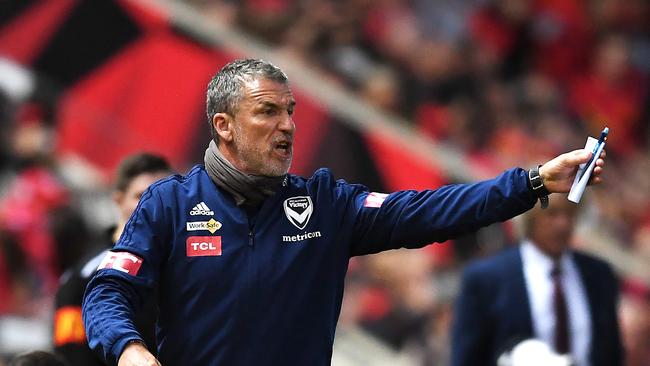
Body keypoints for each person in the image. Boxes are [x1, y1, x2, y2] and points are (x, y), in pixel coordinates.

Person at [82, 58, 606, 366]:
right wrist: (129, 350)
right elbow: (107, 289)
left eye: (290, 111)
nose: (287, 125)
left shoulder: (325, 204)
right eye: (267, 111)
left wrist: (533, 182)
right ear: (224, 125)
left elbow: (428, 211)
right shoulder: (169, 204)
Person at [451, 193, 623, 366]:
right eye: (552, 214)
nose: (562, 224)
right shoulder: (488, 278)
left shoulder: (598, 274)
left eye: (570, 213)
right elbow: (467, 356)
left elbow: (611, 352)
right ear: (530, 218)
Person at [54, 153, 172, 366]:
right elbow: (70, 354)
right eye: (142, 196)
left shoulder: (187, 264)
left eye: (164, 196)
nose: (156, 206)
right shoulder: (83, 276)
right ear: (118, 200)